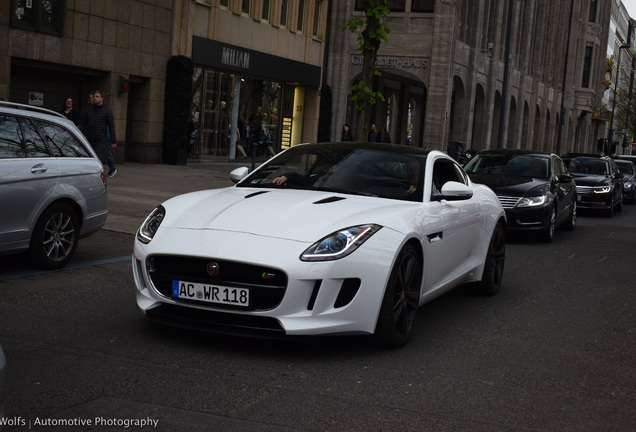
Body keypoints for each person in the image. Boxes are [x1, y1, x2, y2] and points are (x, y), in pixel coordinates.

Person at [81, 90, 117, 177]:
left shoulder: (107, 111)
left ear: (102, 98)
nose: (95, 98)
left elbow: (111, 127)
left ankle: (96, 175)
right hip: (89, 138)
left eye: (97, 96)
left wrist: (113, 141)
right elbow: (83, 123)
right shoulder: (88, 110)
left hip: (101, 139)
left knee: (97, 158)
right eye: (94, 97)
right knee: (88, 157)